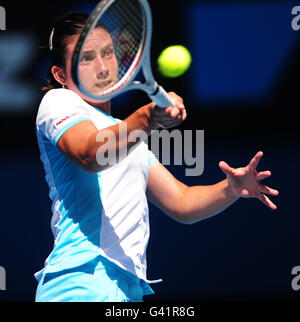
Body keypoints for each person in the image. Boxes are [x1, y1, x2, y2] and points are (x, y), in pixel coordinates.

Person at [35, 12, 279, 302]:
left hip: (127, 290)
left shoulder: (129, 141)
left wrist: (231, 189)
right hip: (80, 281)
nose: (102, 67)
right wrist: (147, 118)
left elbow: (182, 202)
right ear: (60, 75)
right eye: (86, 58)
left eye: (108, 53)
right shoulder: (58, 101)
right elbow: (89, 153)